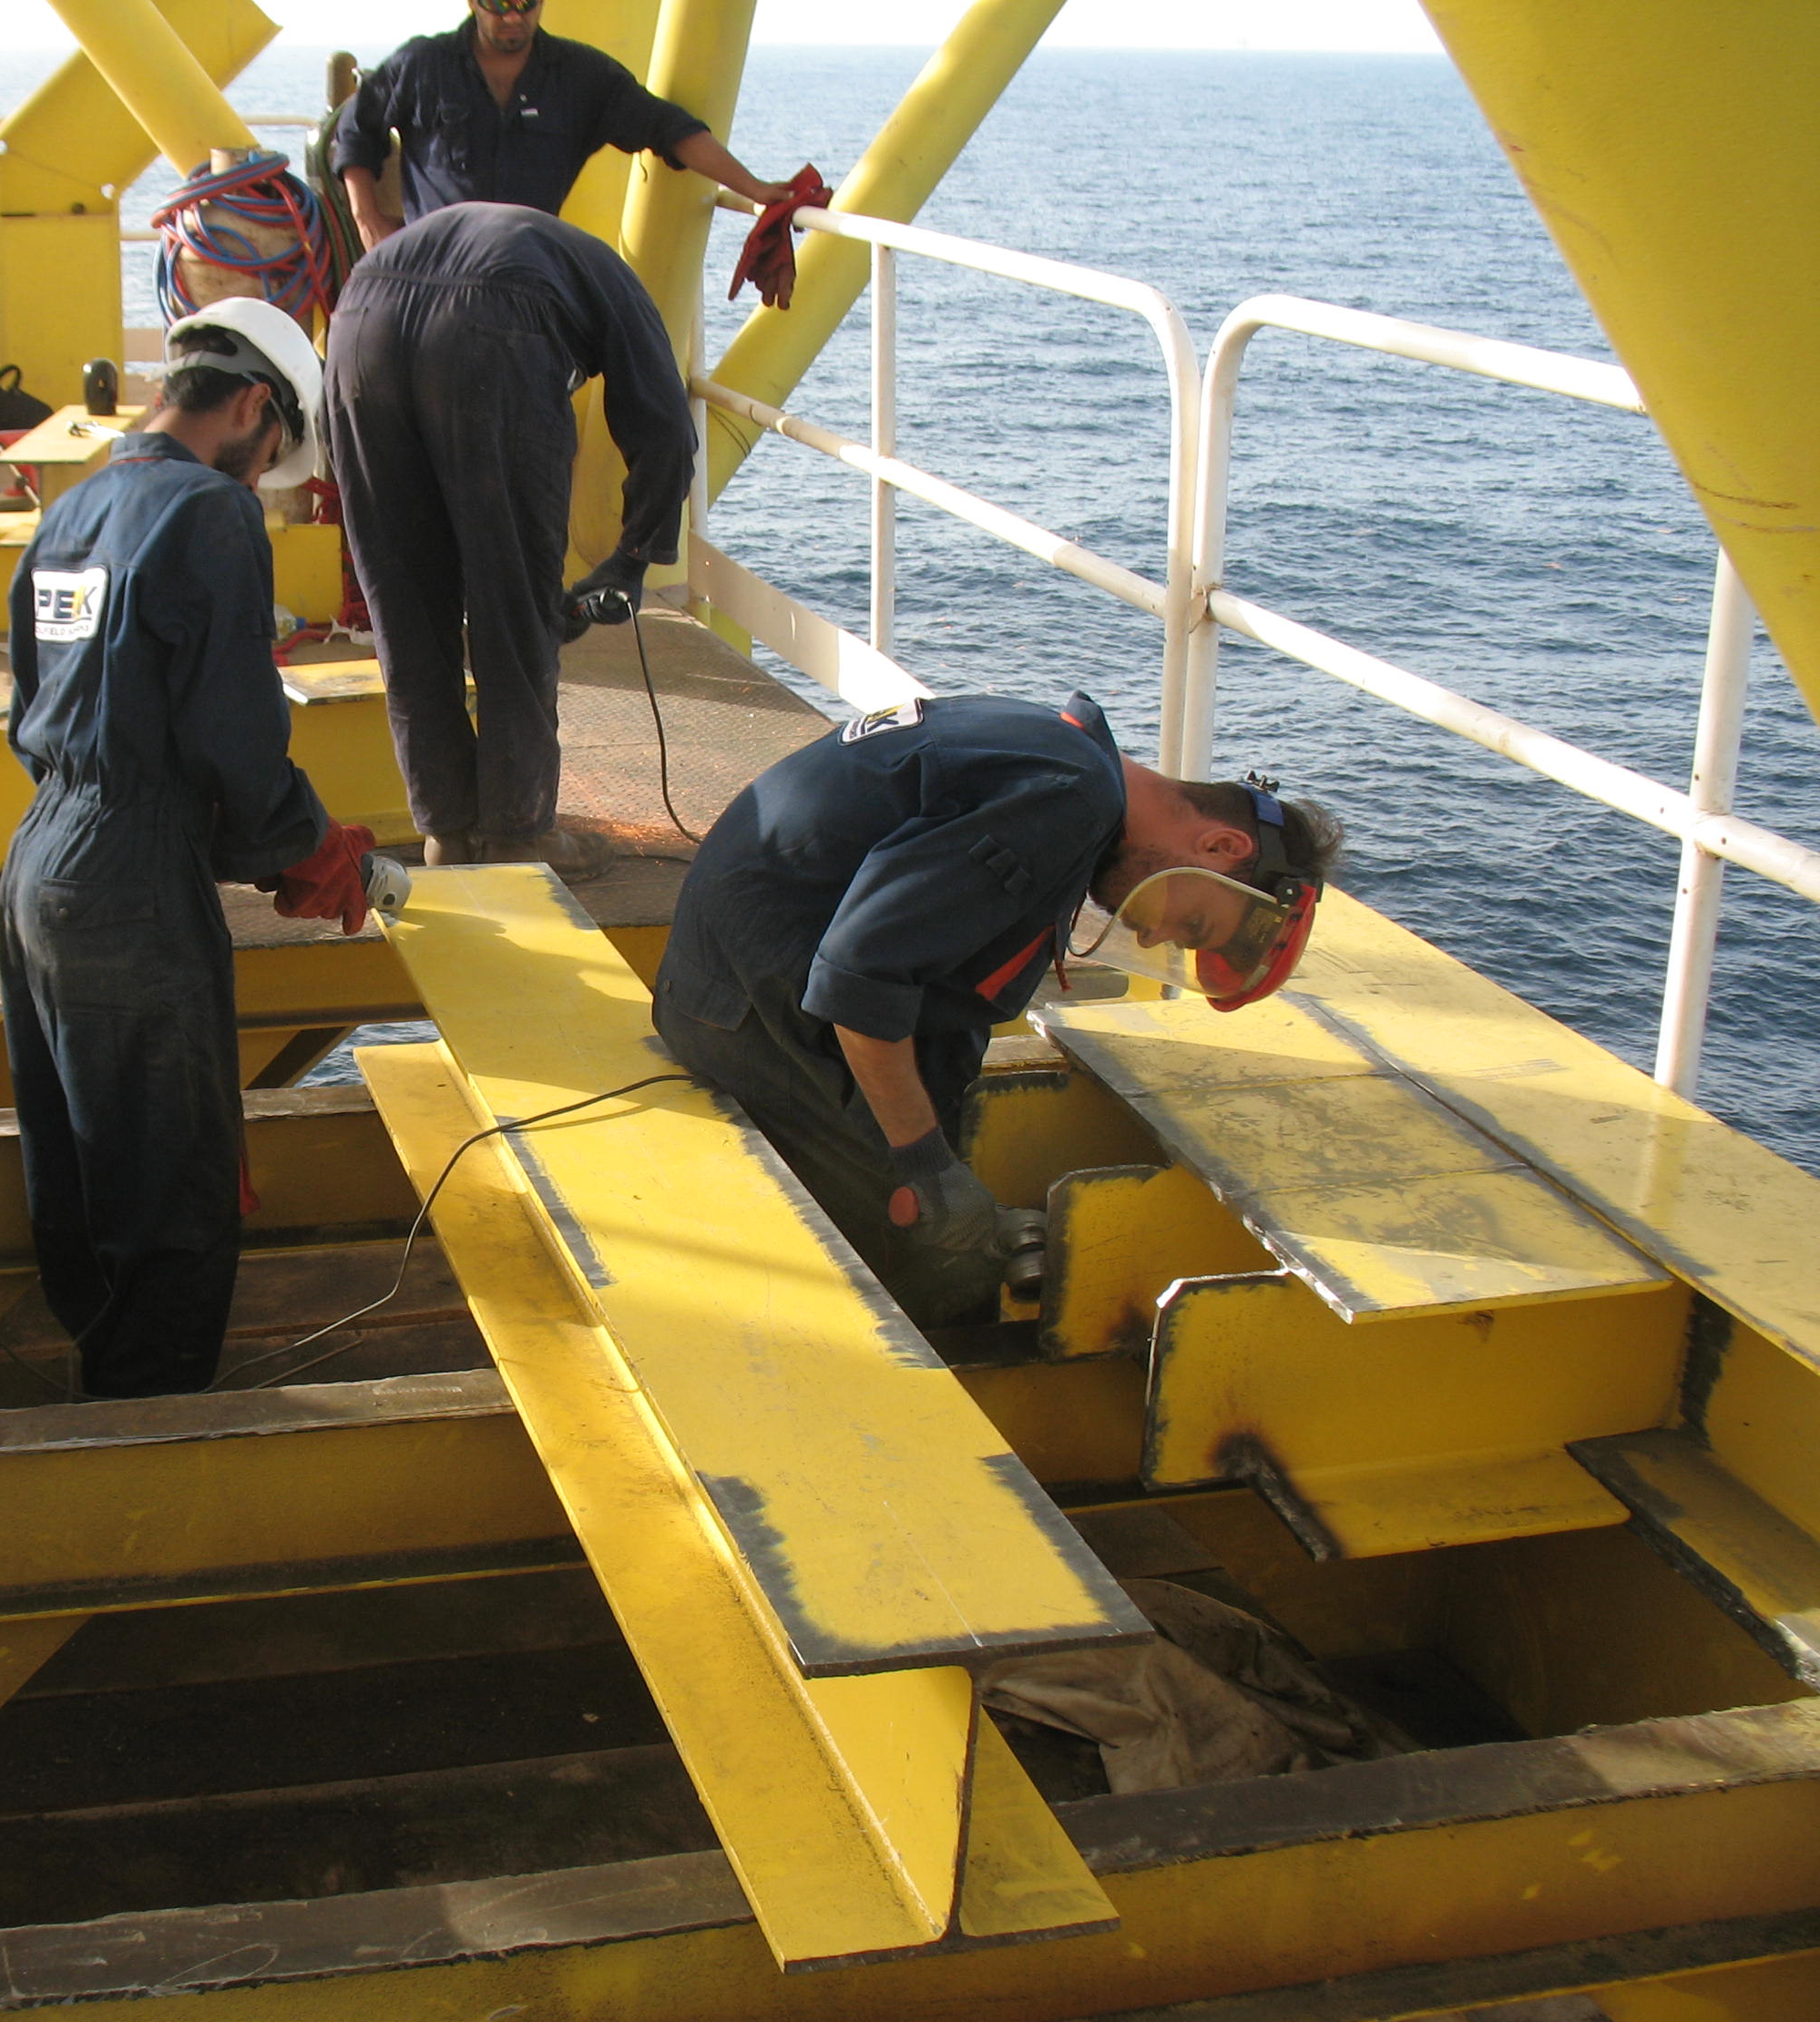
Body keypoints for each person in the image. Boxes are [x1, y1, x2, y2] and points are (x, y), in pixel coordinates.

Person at [653, 690, 1343, 1328]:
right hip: (743, 1011)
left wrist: (949, 1162)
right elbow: (861, 977)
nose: (1154, 935)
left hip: (723, 977)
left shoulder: (1060, 752)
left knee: (938, 1202)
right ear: (1222, 848)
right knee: (927, 1263)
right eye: (1193, 926)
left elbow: (933, 969)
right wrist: (925, 1165)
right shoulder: (1068, 801)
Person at [0, 299, 376, 1398]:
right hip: (124, 886)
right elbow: (233, 734)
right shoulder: (211, 518)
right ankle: (146, 1450)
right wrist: (303, 847)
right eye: (270, 459)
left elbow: (49, 701)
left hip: (40, 867)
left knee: (81, 1174)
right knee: (175, 1194)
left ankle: (101, 1394)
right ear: (256, 406)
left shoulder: (73, 510)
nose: (261, 480)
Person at [325, 201, 690, 874]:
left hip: (360, 316)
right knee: (513, 598)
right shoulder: (616, 285)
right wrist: (633, 559)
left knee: (403, 603)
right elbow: (666, 428)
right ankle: (519, 833)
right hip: (496, 324)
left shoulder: (549, 253)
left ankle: (447, 831)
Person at [331, 0, 794, 251]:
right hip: (428, 259)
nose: (513, 15)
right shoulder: (421, 64)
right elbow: (356, 130)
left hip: (530, 263)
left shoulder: (582, 76)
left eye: (526, 3)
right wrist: (368, 220)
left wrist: (754, 187)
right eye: (498, 3)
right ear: (473, 2)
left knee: (630, 336)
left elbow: (668, 128)